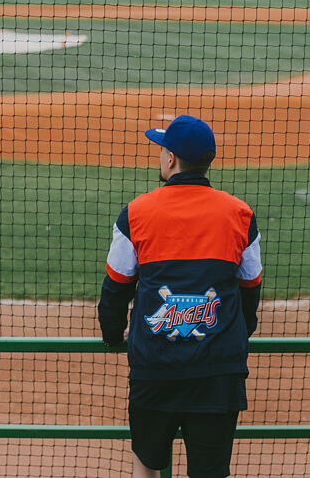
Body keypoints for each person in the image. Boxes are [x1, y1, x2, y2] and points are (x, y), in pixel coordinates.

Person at [98, 114, 262, 478]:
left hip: (156, 370)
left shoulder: (135, 214)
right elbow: (250, 292)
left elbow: (114, 291)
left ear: (170, 159)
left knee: (147, 463)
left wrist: (113, 335)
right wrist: (235, 335)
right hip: (219, 372)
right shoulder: (240, 215)